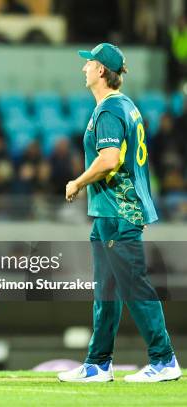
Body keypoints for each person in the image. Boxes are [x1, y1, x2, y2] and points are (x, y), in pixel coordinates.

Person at [59, 43, 181, 383]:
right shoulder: (126, 107)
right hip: (110, 213)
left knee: (134, 287)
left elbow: (110, 159)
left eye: (89, 64)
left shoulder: (110, 111)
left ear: (101, 71)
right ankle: (98, 364)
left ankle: (164, 359)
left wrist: (78, 182)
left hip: (118, 211)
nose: (83, 68)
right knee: (106, 292)